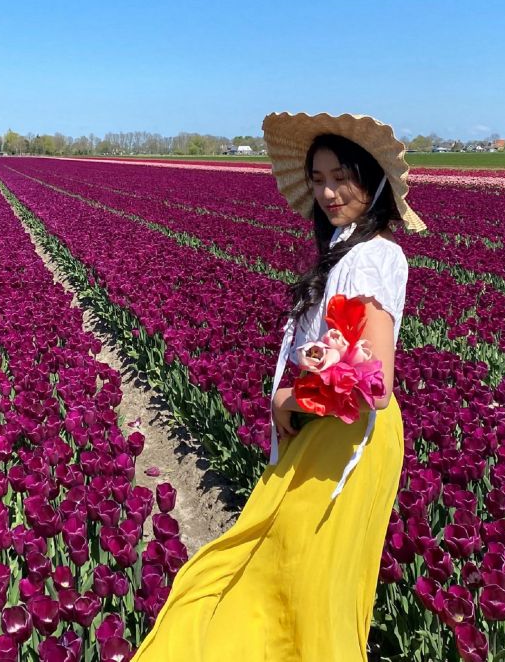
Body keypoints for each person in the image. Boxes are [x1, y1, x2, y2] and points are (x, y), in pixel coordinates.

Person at [131, 111, 427, 661]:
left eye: (341, 177)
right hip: (330, 428)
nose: (329, 193)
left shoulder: (373, 257)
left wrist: (290, 397)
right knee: (290, 568)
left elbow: (375, 384)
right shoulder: (349, 251)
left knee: (301, 573)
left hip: (352, 438)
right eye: (318, 179)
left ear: (373, 180)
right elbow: (342, 357)